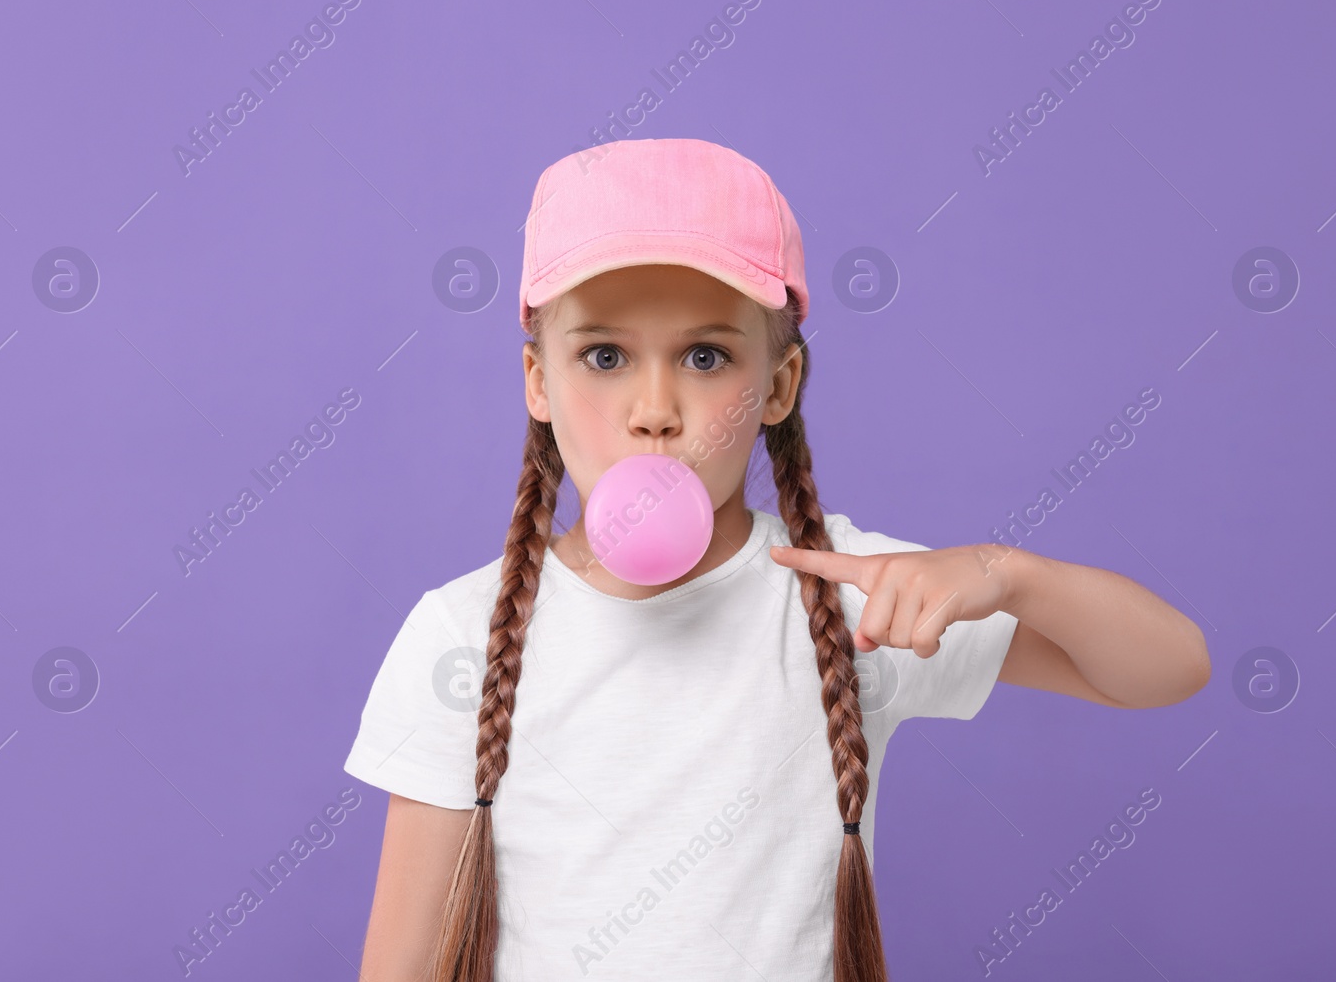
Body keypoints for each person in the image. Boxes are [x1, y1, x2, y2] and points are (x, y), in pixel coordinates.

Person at [342, 138, 1209, 982]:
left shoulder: (856, 596)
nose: (654, 409)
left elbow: (1170, 668)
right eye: (603, 356)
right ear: (538, 381)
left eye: (706, 356)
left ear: (779, 385)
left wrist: (1007, 572)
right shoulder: (462, 632)